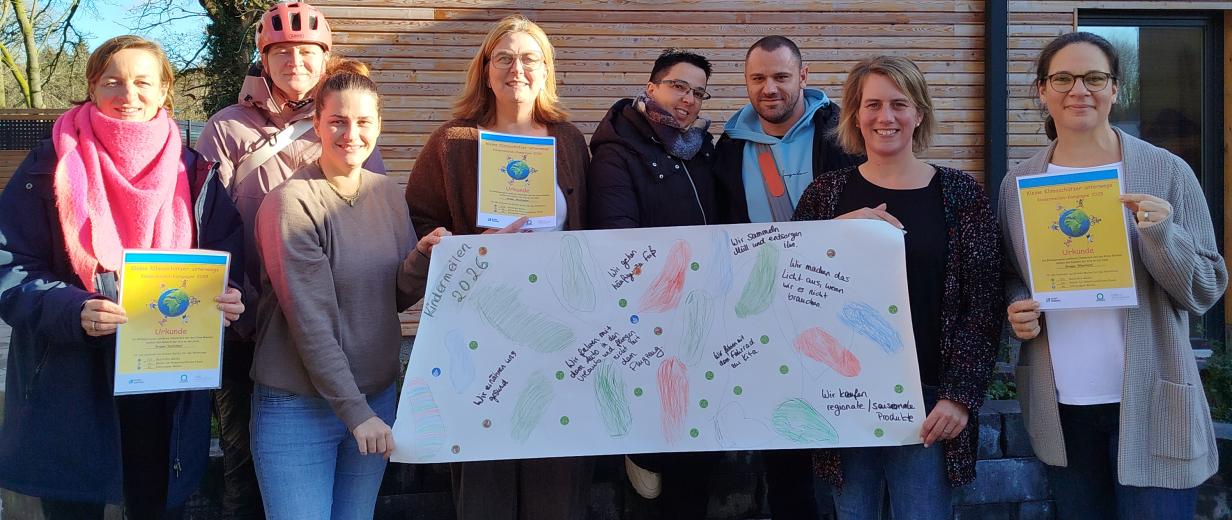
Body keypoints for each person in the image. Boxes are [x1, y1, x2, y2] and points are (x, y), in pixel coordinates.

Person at [0, 35, 245, 519]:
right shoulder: (48, 165)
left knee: (155, 506)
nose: (127, 94)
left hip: (163, 372)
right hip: (71, 373)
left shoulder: (195, 171)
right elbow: (10, 264)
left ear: (163, 91)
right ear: (92, 87)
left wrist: (234, 296)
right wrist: (72, 309)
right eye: (112, 80)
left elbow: (229, 256)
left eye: (141, 82)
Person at [1000, 32, 1227, 520]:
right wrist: (1018, 307)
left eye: (1094, 77)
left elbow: (1206, 288)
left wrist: (1162, 234)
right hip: (1063, 405)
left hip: (1153, 402)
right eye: (1063, 78)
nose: (1078, 89)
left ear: (1115, 89)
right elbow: (1013, 275)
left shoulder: (1167, 172)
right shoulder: (1020, 182)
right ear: (1042, 90)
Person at [194, 3, 385, 516]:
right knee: (245, 467)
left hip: (336, 326)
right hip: (250, 326)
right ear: (263, 58)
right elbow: (208, 225)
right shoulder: (226, 129)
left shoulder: (345, 121)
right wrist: (243, 307)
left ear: (326, 58)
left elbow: (371, 212)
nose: (294, 61)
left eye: (306, 51)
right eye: (281, 52)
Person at [792, 55, 1001, 520]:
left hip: (930, 401)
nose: (885, 117)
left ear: (919, 113)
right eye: (872, 105)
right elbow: (792, 292)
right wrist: (833, 233)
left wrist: (960, 396)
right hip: (845, 396)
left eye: (899, 104)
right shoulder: (824, 197)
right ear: (854, 115)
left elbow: (984, 303)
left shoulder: (960, 193)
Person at [405, 15, 593, 520]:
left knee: (556, 480)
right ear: (485, 70)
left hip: (557, 337)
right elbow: (418, 229)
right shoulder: (452, 142)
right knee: (484, 481)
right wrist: (467, 246)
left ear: (546, 70)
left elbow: (591, 237)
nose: (517, 68)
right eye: (504, 57)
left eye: (530, 58)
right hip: (478, 337)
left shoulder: (570, 141)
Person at [249, 58, 447, 519]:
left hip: (374, 396)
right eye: (337, 121)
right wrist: (355, 413)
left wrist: (422, 257)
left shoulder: (387, 193)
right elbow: (311, 322)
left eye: (363, 122)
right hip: (299, 406)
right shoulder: (289, 202)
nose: (350, 133)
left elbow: (392, 296)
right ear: (315, 123)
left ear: (378, 125)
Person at [712, 35, 862, 518]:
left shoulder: (843, 134)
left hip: (836, 309)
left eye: (780, 76)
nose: (769, 88)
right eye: (758, 78)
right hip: (763, 317)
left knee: (844, 434)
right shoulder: (728, 148)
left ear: (804, 76)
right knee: (783, 437)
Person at [587, 48, 719, 515]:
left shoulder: (701, 150)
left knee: (697, 449)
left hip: (701, 322)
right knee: (653, 458)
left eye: (698, 92)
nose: (687, 100)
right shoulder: (616, 153)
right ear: (651, 87)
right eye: (678, 86)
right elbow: (615, 239)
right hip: (647, 325)